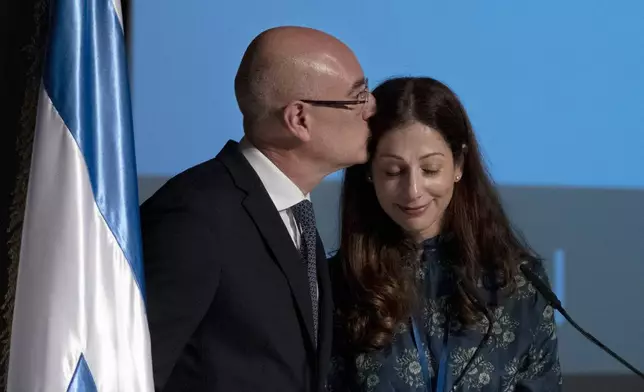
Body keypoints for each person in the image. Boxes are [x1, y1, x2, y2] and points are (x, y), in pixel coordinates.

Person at [140, 26, 375, 392]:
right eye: (358, 97)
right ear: (299, 119)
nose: (372, 109)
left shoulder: (296, 212)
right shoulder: (195, 216)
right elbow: (133, 372)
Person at [327, 76, 562, 391]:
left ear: (458, 164)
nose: (413, 191)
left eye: (430, 169)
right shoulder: (336, 285)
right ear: (369, 173)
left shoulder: (519, 283)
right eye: (393, 171)